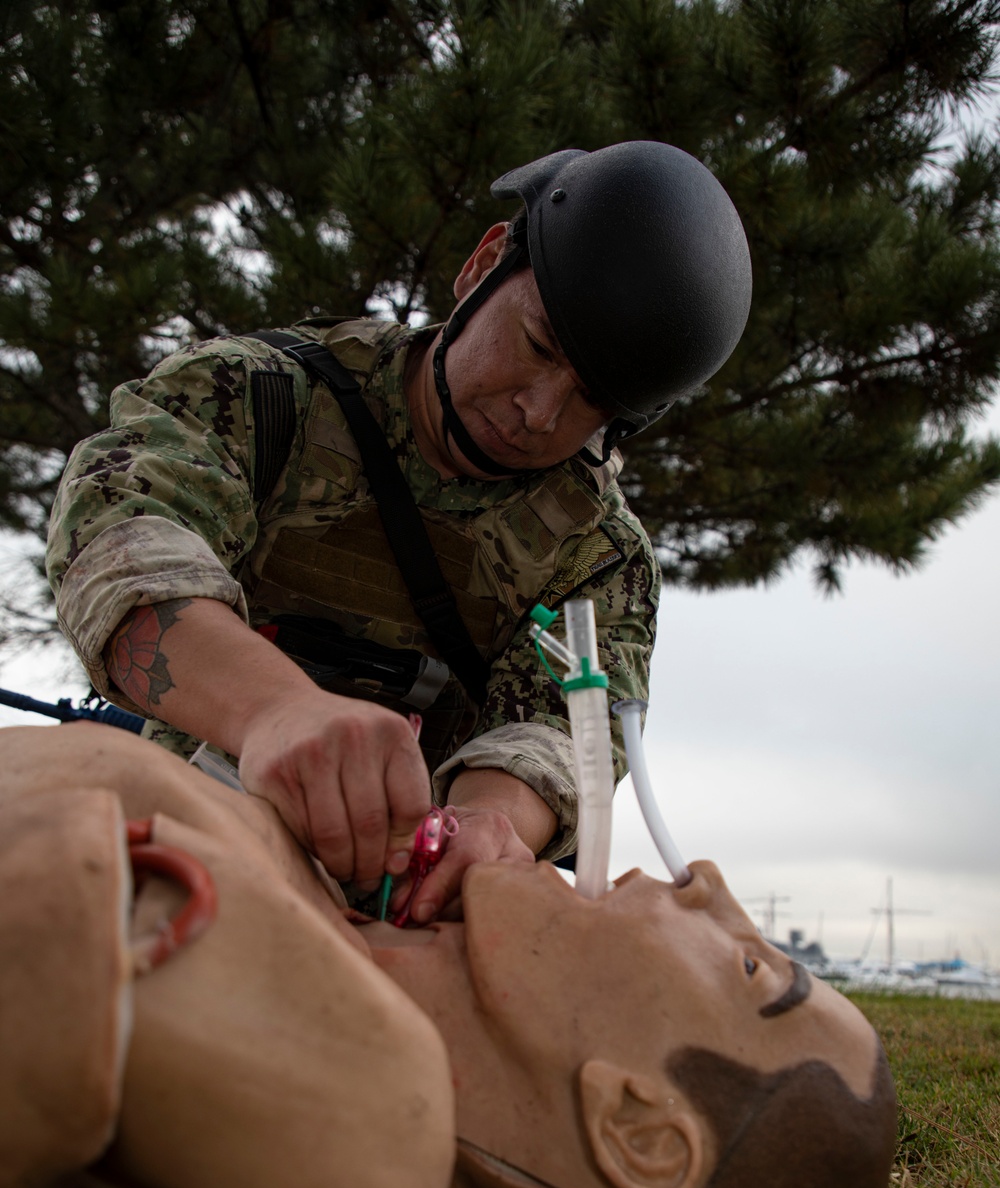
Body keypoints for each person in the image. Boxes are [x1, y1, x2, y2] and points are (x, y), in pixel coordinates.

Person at [45, 141, 753, 922]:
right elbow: (120, 542)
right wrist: (279, 712)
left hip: (408, 912)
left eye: (591, 402)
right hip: (181, 850)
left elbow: (561, 730)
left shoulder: (598, 556)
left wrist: (487, 827)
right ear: (484, 265)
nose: (539, 411)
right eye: (539, 346)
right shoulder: (253, 396)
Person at [0, 725, 895, 1188]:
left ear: (639, 1132)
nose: (709, 882)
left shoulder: (374, 1126)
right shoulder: (338, 918)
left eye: (749, 970)